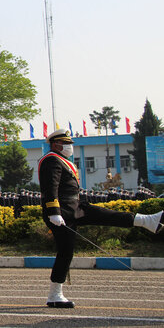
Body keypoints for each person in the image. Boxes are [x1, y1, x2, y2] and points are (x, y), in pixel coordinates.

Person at [39, 129, 164, 308]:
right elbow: (50, 187)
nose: (69, 147)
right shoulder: (51, 160)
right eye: (66, 144)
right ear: (55, 144)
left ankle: (146, 221)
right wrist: (53, 212)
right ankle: (54, 294)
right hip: (63, 212)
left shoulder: (61, 160)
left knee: (107, 215)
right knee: (66, 251)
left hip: (75, 207)